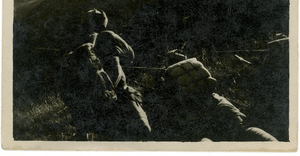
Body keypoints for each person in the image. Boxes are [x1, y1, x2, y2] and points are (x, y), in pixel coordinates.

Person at [59, 8, 151, 141]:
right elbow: (131, 55)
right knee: (144, 133)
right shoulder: (108, 35)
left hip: (95, 104)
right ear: (103, 21)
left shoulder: (76, 46)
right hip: (121, 95)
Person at [157, 49, 277, 142]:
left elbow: (171, 98)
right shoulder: (194, 64)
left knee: (206, 140)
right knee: (246, 132)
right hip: (219, 103)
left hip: (202, 115)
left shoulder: (171, 74)